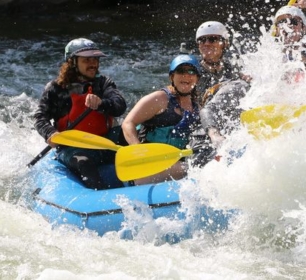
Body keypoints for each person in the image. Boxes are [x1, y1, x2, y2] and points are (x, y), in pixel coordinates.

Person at [34, 38, 127, 190]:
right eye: (87, 60)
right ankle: (100, 198)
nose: (93, 64)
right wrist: (50, 133)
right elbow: (40, 117)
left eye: (95, 59)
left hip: (105, 142)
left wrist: (101, 103)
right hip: (73, 147)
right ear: (72, 62)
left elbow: (120, 105)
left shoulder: (103, 83)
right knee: (83, 161)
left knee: (131, 132)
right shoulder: (55, 89)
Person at [121, 54, 201, 184]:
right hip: (147, 167)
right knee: (193, 169)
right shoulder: (159, 99)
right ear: (172, 77)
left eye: (191, 72)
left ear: (197, 79)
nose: (186, 75)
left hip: (175, 165)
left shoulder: (198, 108)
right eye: (181, 71)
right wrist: (138, 150)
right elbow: (128, 123)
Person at [195, 21, 247, 103]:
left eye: (212, 39)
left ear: (224, 43)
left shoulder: (233, 67)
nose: (206, 44)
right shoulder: (192, 70)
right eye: (202, 40)